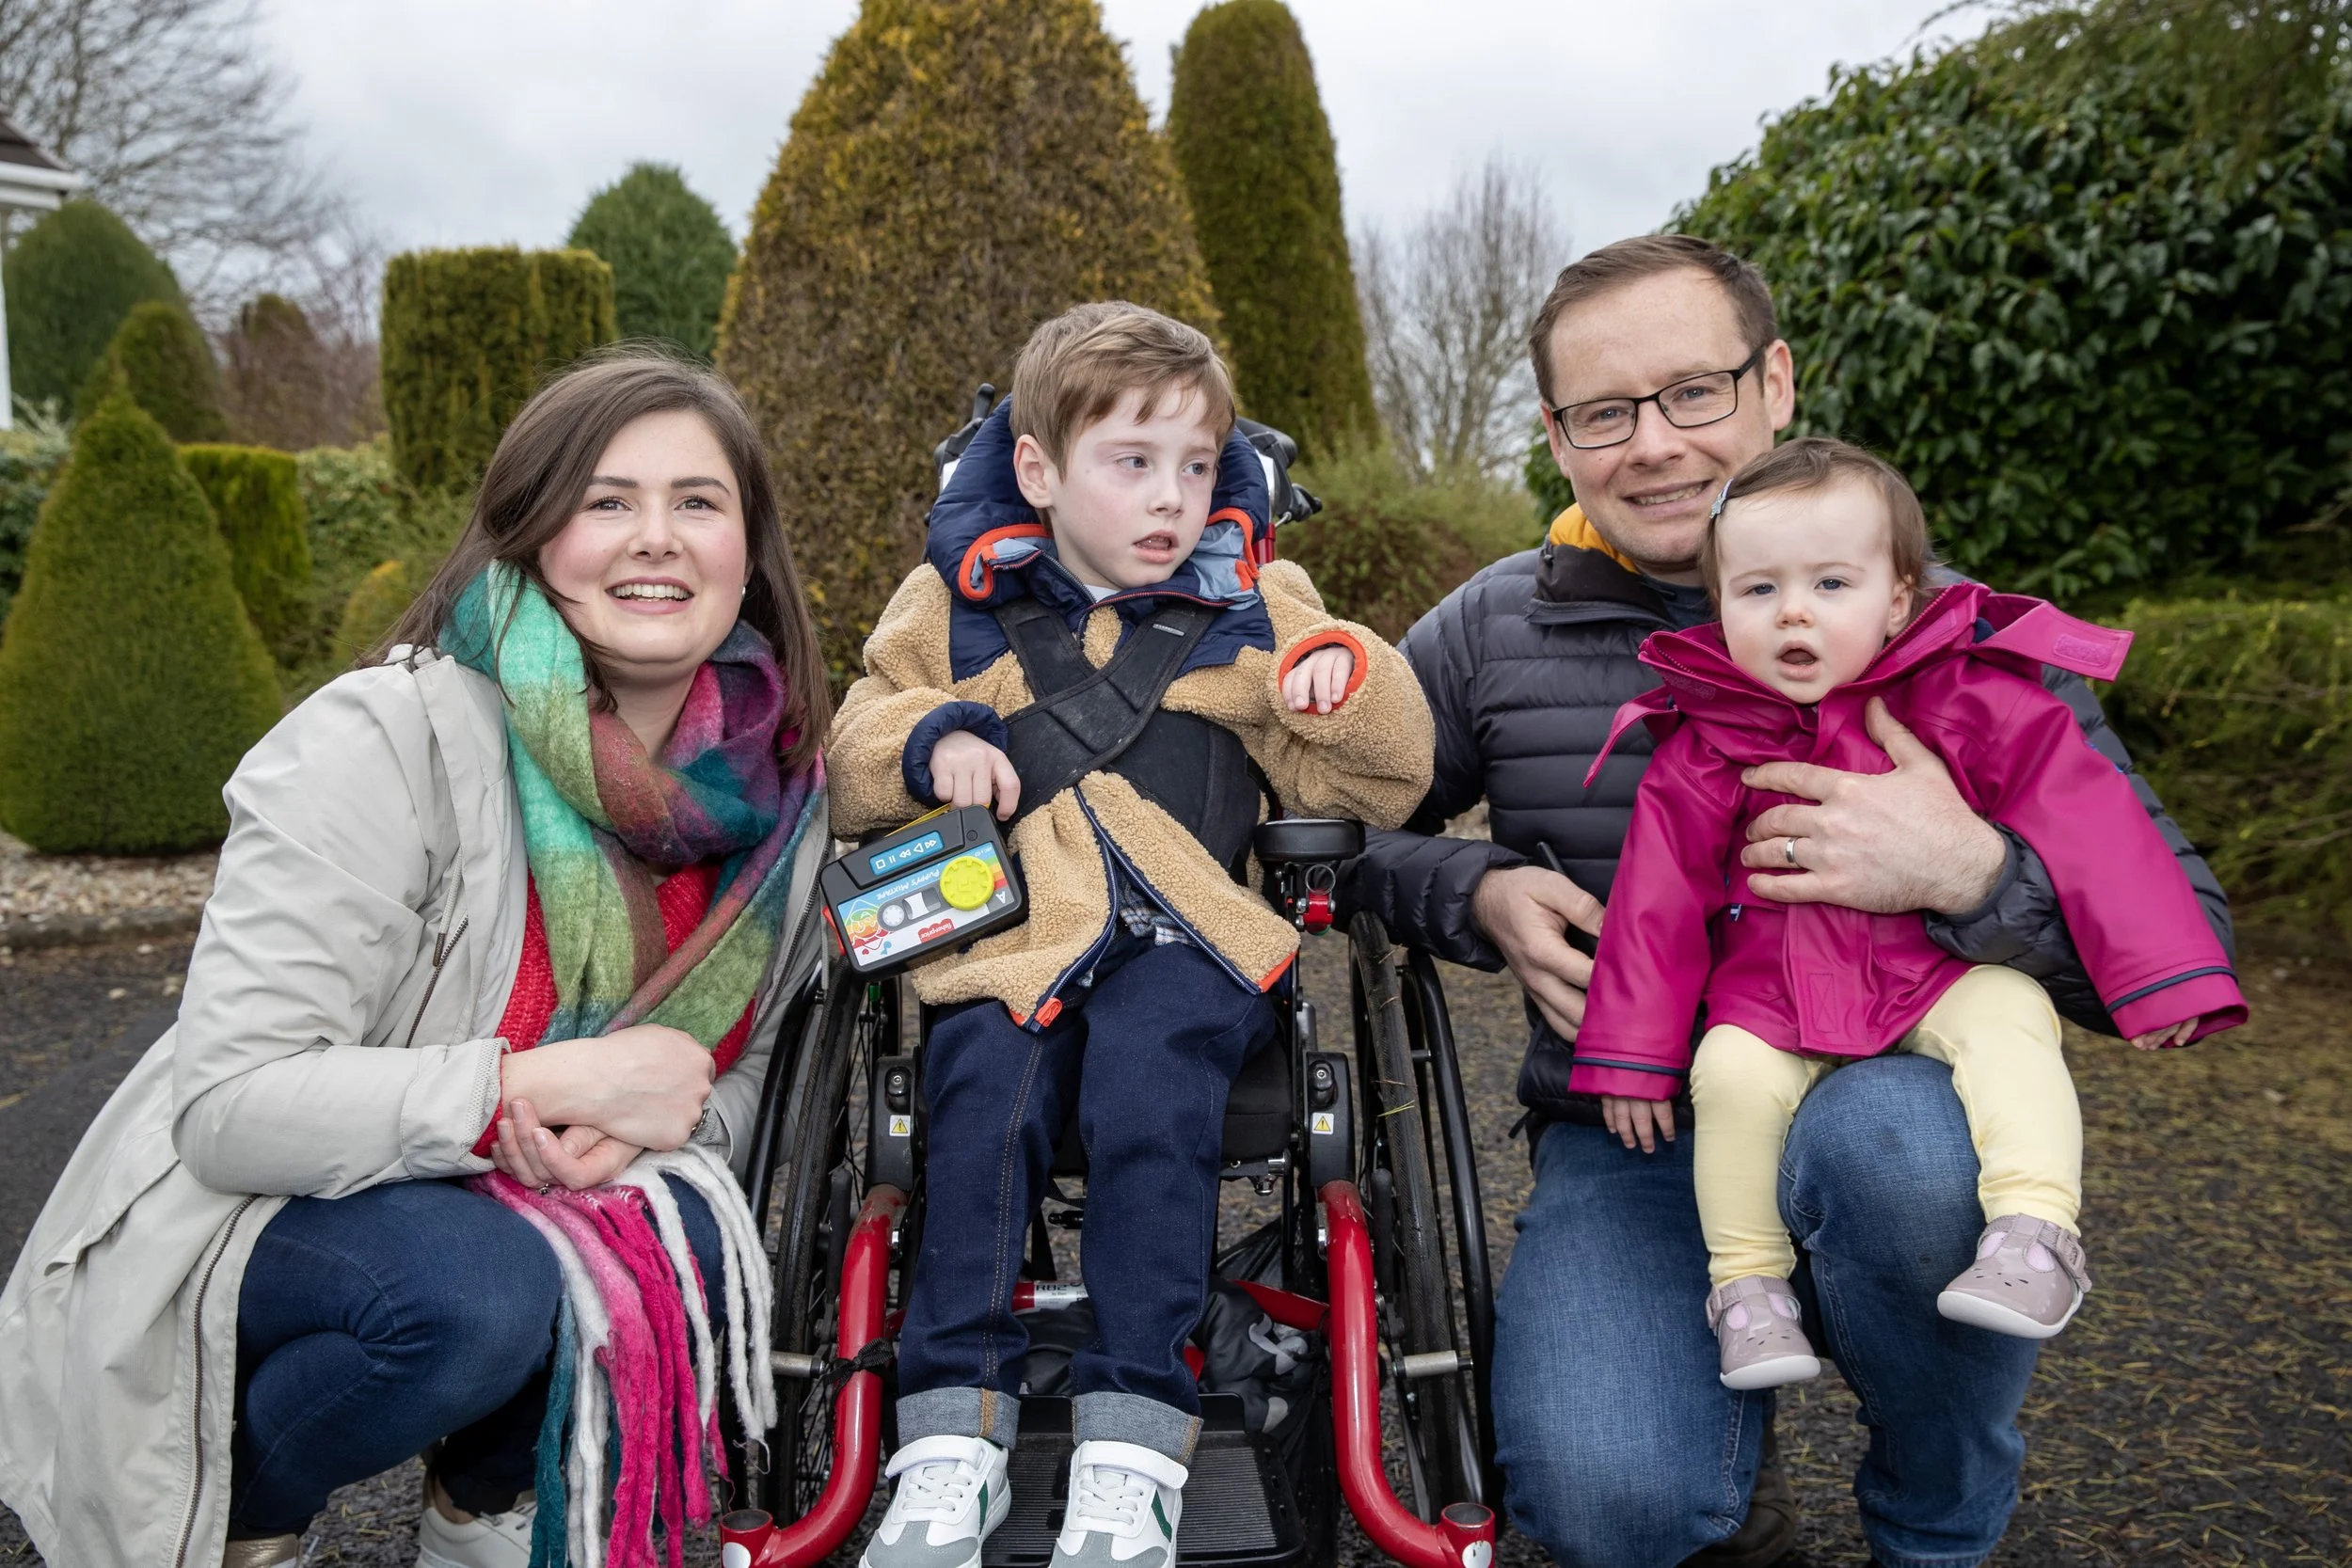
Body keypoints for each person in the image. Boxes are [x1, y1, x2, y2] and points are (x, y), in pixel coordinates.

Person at [1341, 234, 2232, 1568]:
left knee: (1897, 1149)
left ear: (1775, 382)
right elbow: (1323, 833)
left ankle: (1933, 1514)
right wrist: (1477, 888)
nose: (1652, 444)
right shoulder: (1489, 629)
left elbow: (2182, 933)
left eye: (1693, 391)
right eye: (1605, 411)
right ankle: (1713, 1479)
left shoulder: (1948, 634)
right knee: (1605, 1505)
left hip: (1894, 1090)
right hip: (1629, 1131)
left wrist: (1968, 875)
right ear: (1557, 435)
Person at [0, 352, 834, 1568]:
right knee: (474, 1290)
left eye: (697, 502)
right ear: (534, 533)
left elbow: (744, 1077)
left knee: (674, 1228)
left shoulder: (787, 803)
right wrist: (521, 1092)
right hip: (265, 1200)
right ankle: (247, 1510)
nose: (656, 538)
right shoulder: (385, 735)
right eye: (607, 500)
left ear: (748, 548)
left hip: (521, 1197)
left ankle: (483, 1502)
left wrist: (649, 1126)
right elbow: (232, 1103)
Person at [828, 301, 1433, 1568]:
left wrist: (1342, 677)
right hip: (1014, 943)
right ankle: (952, 1433)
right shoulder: (952, 605)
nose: (1172, 497)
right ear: (1037, 470)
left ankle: (1133, 1443)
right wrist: (934, 738)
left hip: (1190, 942)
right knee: (981, 1096)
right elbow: (857, 746)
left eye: (1198, 464)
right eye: (1132, 461)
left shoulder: (1260, 602)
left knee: (1151, 1094)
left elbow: (1387, 778)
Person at [1573, 436, 2245, 1389]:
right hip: (1772, 995)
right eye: (1757, 590)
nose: (1793, 609)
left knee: (2010, 1013)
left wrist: (2160, 973)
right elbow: (1657, 905)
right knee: (1724, 1072)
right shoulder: (1706, 743)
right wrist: (1632, 1055)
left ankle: (2035, 1229)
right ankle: (1750, 1290)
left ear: (1897, 600)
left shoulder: (1971, 698)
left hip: (1931, 976)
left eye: (1832, 583)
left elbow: (2093, 824)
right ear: (1719, 610)